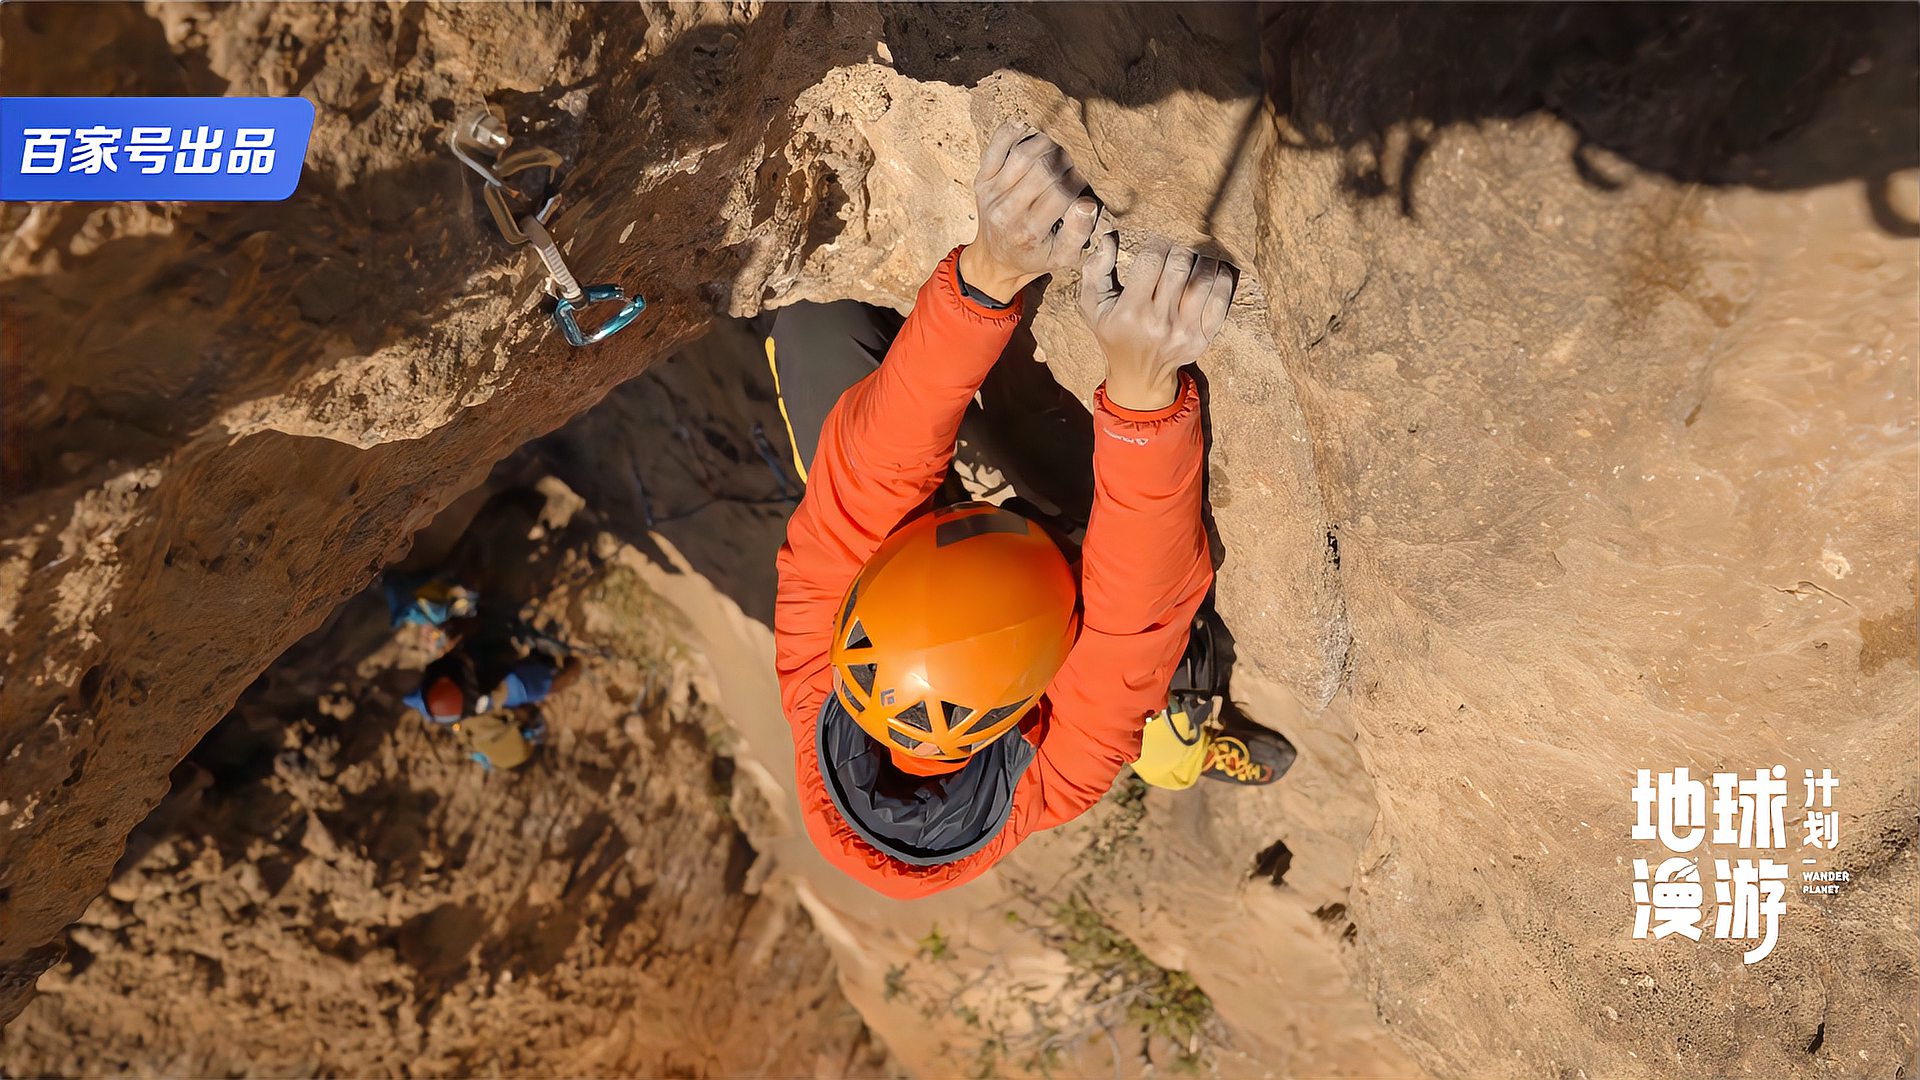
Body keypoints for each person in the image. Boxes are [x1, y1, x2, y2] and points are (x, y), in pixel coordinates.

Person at [773, 120, 1294, 900]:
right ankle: (1185, 741)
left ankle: (992, 527)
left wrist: (988, 274)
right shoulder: (1061, 770)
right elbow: (1135, 611)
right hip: (1097, 633)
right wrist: (1143, 394)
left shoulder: (822, 669)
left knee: (814, 333)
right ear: (1027, 700)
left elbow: (869, 477)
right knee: (1165, 702)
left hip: (980, 584)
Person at [403, 623, 568, 770]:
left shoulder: (515, 690)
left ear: (514, 725)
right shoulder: (465, 733)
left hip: (482, 654)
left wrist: (573, 668)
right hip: (451, 667)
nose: (534, 708)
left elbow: (567, 676)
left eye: (532, 715)